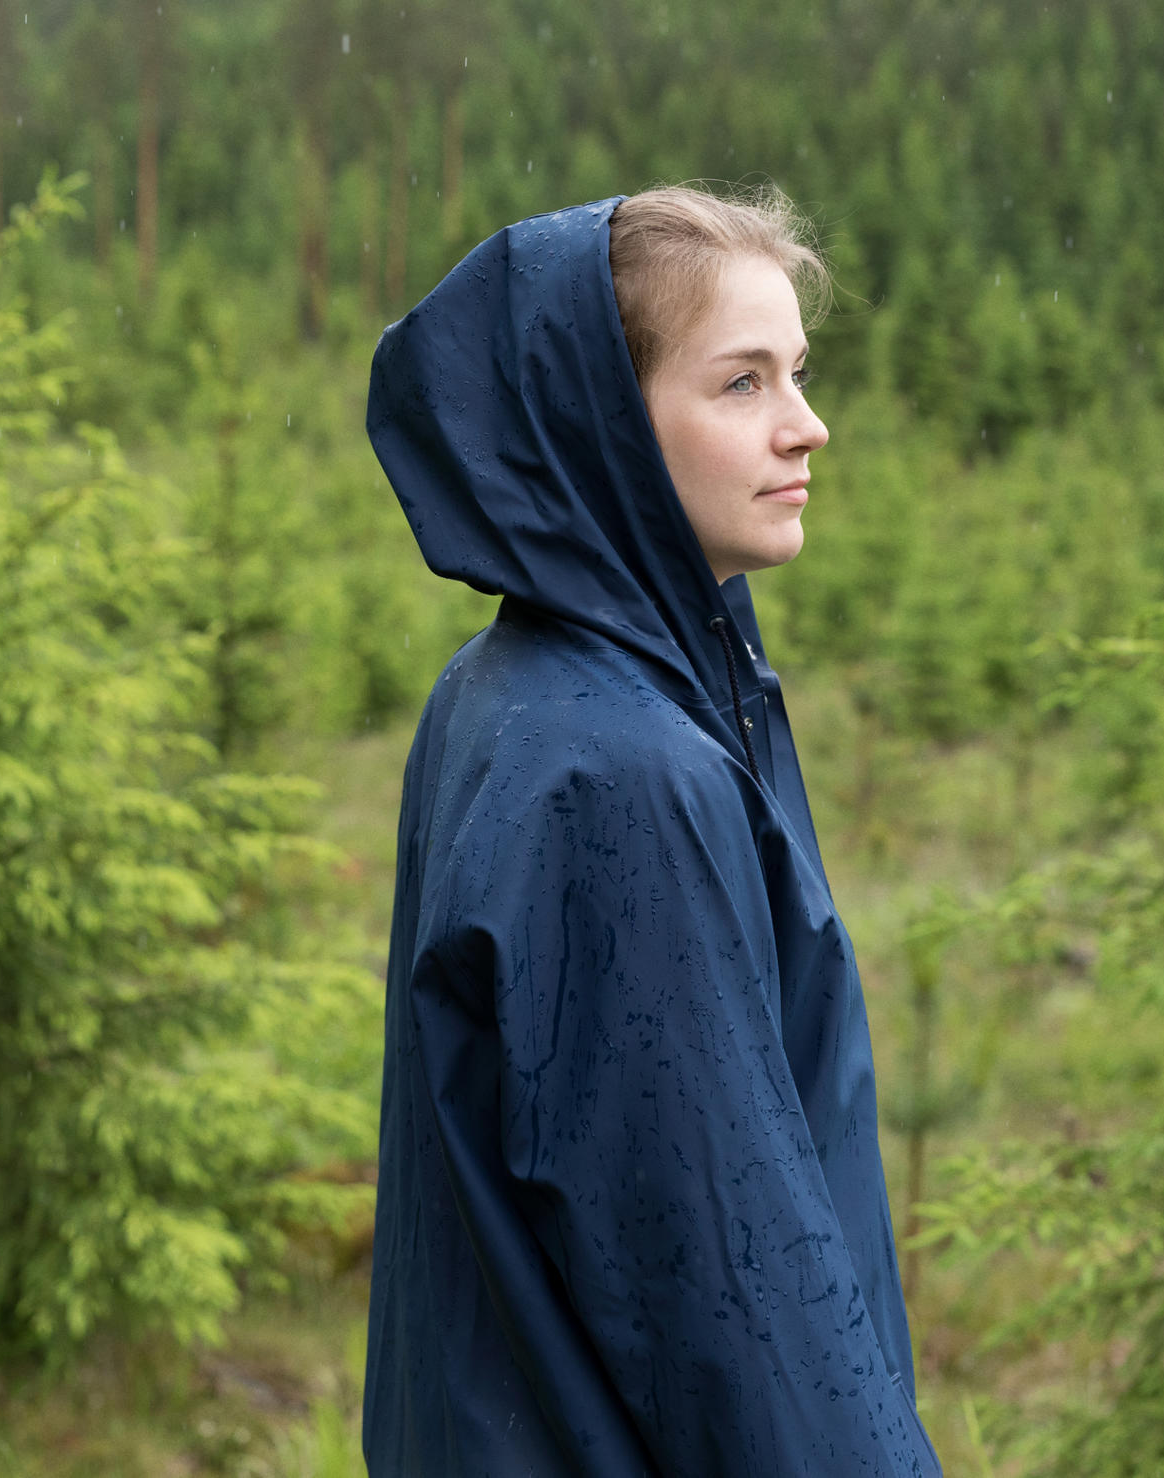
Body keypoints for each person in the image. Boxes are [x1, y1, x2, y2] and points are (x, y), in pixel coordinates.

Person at [360, 184, 943, 1477]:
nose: (807, 426)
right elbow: (728, 1295)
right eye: (741, 384)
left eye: (796, 372)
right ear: (604, 425)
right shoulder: (613, 770)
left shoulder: (514, 691)